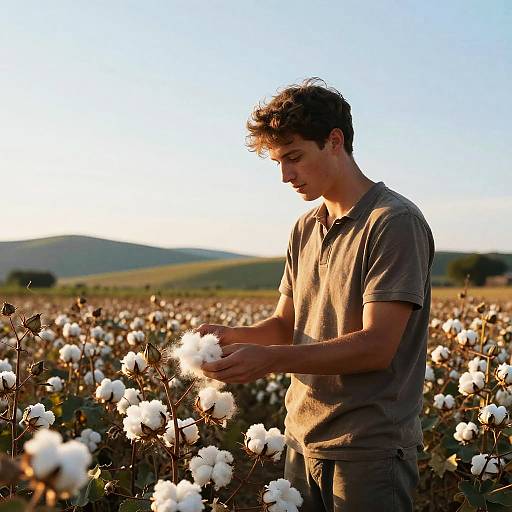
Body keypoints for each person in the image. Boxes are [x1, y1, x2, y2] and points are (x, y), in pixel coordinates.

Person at [199, 77, 434, 511]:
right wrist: (234, 336)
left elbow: (377, 347)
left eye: (294, 157)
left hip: (368, 451)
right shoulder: (305, 228)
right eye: (278, 163)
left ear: (334, 141)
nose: (286, 175)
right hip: (299, 441)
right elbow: (285, 326)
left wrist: (270, 359)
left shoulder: (392, 222)